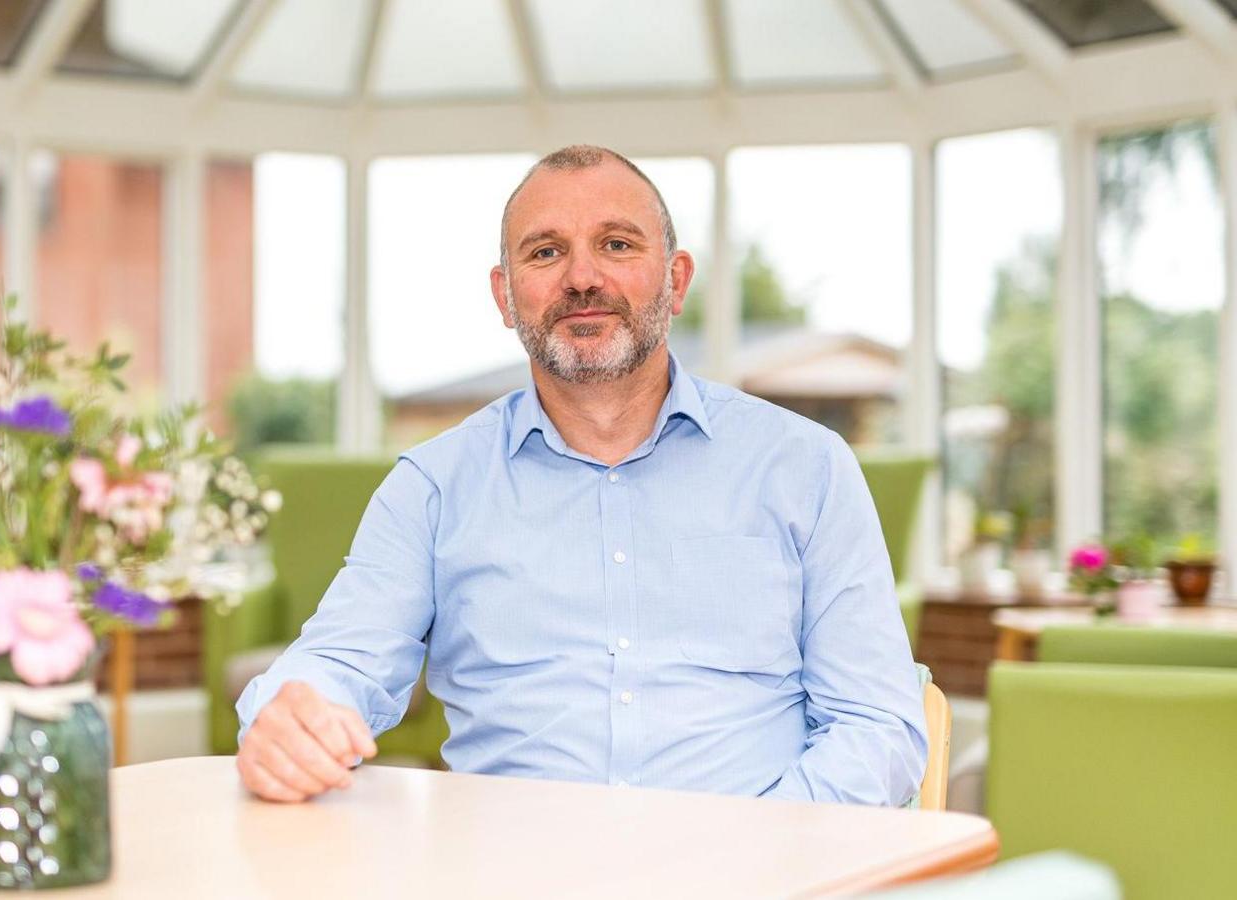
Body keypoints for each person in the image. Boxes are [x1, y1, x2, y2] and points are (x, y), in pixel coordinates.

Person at [234, 145, 926, 805]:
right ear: (506, 296)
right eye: (546, 252)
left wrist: (764, 852)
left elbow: (877, 727)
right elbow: (337, 663)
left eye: (618, 244)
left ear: (676, 280)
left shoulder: (807, 468)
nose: (583, 277)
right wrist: (288, 716)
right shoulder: (434, 487)